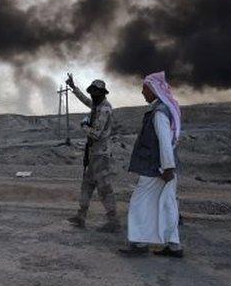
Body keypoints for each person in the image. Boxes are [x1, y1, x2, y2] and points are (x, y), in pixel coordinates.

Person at [119, 72, 184, 258]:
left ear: (154, 90)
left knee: (139, 203)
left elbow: (164, 141)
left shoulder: (158, 113)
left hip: (157, 168)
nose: (142, 92)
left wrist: (167, 167)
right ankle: (174, 246)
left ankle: (139, 243)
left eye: (145, 89)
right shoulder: (164, 109)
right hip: (164, 168)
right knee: (168, 204)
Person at [65, 73, 119, 232]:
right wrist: (73, 88)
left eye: (96, 92)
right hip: (93, 153)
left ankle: (113, 221)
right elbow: (86, 101)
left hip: (101, 155)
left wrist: (84, 125)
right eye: (92, 92)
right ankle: (81, 216)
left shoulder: (105, 109)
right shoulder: (97, 105)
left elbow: (95, 133)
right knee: (87, 185)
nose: (93, 95)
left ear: (102, 93)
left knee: (104, 188)